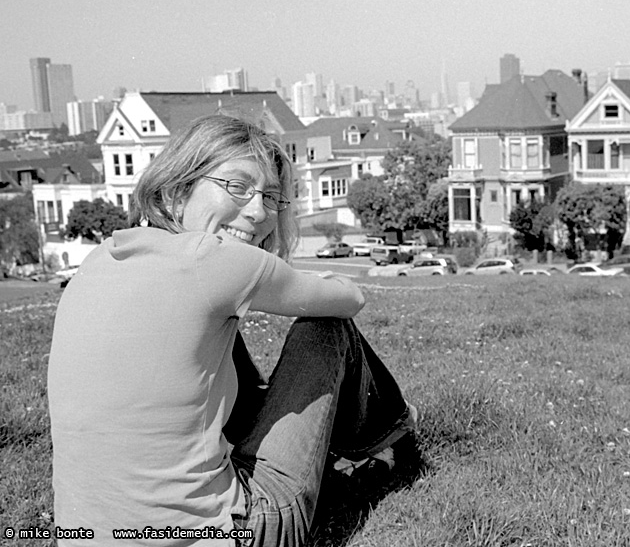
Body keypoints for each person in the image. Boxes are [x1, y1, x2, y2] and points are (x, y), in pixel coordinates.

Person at [48, 114, 416, 546]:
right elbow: (349, 298)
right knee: (326, 329)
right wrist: (275, 278)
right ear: (176, 189)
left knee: (219, 329)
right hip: (230, 533)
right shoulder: (215, 259)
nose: (258, 211)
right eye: (236, 187)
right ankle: (389, 441)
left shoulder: (101, 259)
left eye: (271, 197)